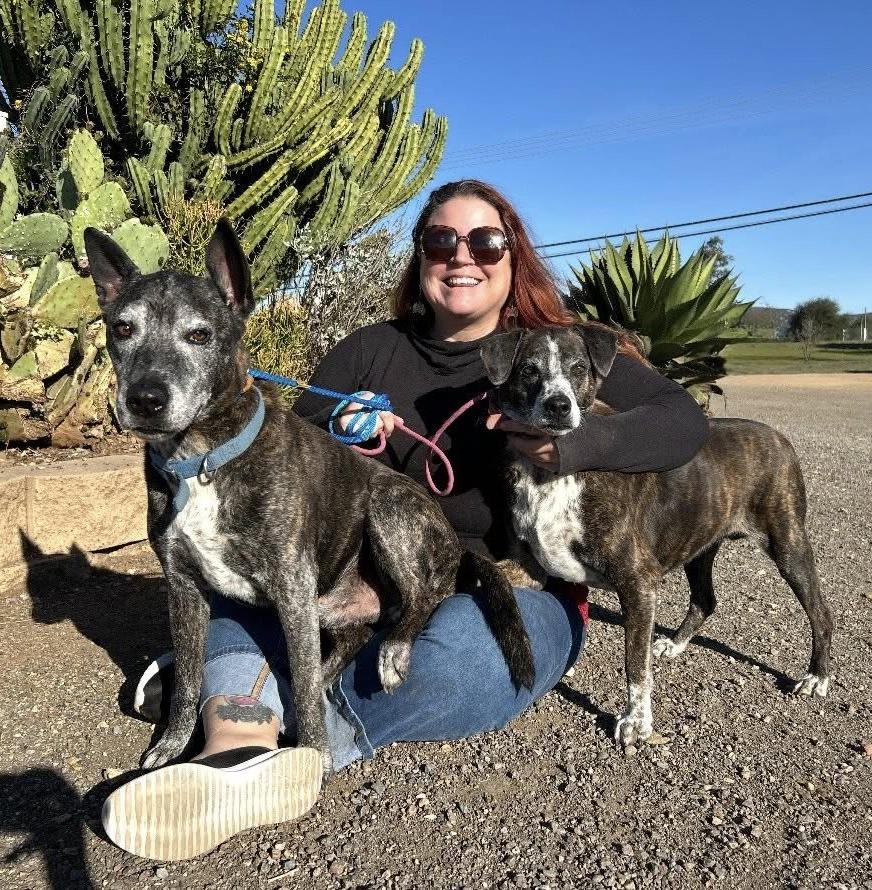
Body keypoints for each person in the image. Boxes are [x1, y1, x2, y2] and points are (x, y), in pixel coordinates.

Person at [102, 180, 709, 860]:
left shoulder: (554, 350)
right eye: (440, 241)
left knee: (466, 662)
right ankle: (235, 751)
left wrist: (569, 443)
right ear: (420, 258)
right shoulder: (371, 349)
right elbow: (284, 463)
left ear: (516, 257)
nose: (462, 256)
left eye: (485, 241)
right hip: (346, 571)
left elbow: (682, 422)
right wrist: (341, 426)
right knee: (247, 583)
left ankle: (298, 737)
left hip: (504, 584)